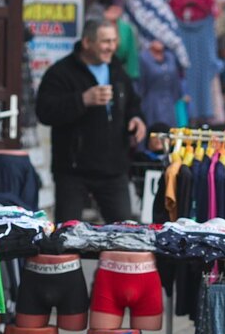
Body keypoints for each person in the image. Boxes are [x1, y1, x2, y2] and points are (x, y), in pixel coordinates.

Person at [36, 19, 146, 223]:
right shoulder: (61, 72)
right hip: (73, 170)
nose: (111, 47)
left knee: (124, 236)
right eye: (105, 41)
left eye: (114, 41)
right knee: (67, 236)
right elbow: (44, 112)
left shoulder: (116, 69)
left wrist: (137, 119)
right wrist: (83, 100)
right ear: (87, 42)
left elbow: (132, 102)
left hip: (114, 169)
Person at [135, 40, 185, 129]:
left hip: (170, 105)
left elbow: (176, 84)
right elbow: (140, 86)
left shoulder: (170, 56)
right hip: (151, 105)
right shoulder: (143, 58)